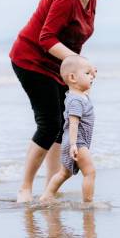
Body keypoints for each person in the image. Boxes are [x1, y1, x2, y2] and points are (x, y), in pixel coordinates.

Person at [10, 0, 120, 203]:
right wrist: (80, 63)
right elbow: (46, 38)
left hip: (60, 67)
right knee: (49, 123)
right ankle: (25, 189)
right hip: (31, 60)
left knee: (64, 125)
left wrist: (76, 72)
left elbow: (74, 40)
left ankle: (50, 188)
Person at [40, 56, 96, 203]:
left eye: (91, 74)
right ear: (72, 77)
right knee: (90, 172)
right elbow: (73, 124)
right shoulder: (76, 101)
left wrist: (89, 71)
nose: (91, 76)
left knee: (64, 173)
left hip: (73, 142)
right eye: (87, 74)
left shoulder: (79, 95)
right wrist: (73, 145)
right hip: (76, 142)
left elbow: (85, 84)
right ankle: (88, 203)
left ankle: (47, 196)